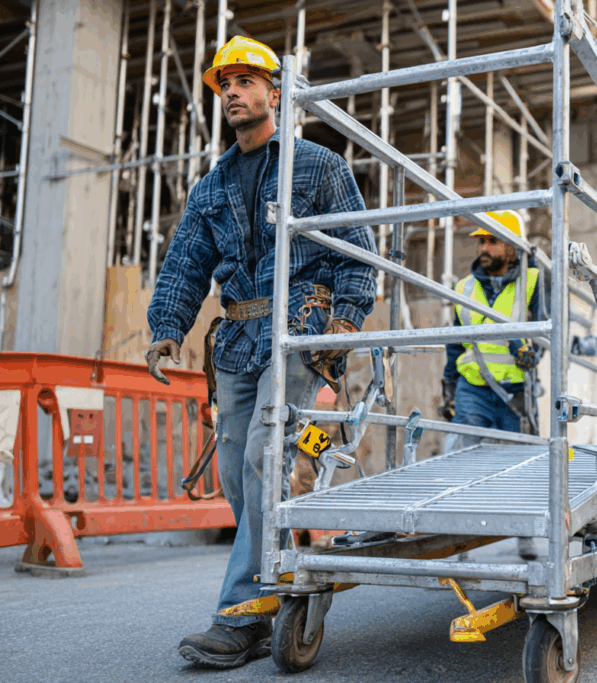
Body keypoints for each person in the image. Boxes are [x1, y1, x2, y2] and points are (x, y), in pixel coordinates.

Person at [145, 36, 377, 668]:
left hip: (299, 330)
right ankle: (296, 574)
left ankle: (241, 612)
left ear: (276, 93)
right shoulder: (212, 185)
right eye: (226, 85)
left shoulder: (318, 165)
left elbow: (357, 247)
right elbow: (186, 262)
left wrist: (347, 322)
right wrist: (168, 324)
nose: (233, 93)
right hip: (239, 339)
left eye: (246, 82)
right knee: (237, 472)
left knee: (263, 454)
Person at [440, 210, 544, 444]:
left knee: (518, 462)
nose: (483, 249)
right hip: (472, 388)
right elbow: (455, 343)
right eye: (481, 242)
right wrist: (449, 385)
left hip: (515, 389)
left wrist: (532, 352)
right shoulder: (464, 287)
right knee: (461, 456)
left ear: (511, 249)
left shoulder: (533, 281)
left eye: (493, 242)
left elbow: (545, 329)